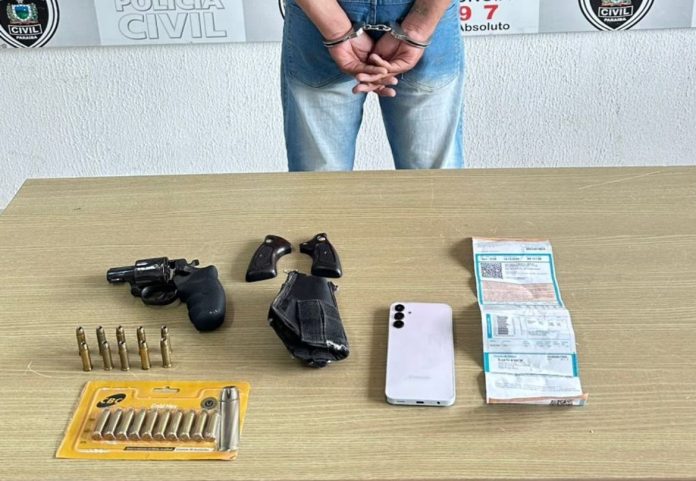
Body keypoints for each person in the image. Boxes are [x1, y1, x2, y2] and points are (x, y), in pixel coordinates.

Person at [281, 0, 465, 171]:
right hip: (427, 13)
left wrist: (335, 30)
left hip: (319, 14)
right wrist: (418, 29)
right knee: (433, 179)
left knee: (319, 180)